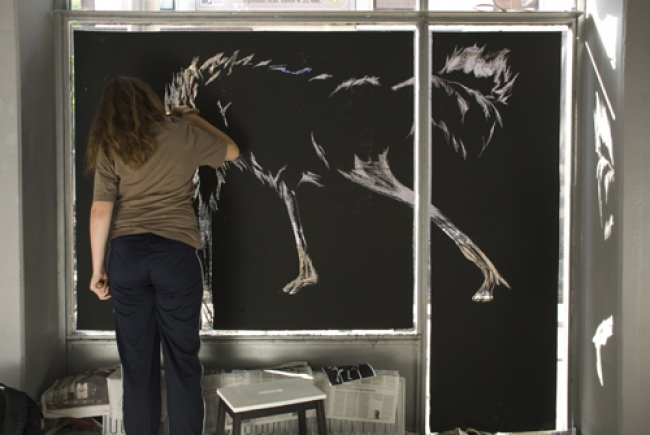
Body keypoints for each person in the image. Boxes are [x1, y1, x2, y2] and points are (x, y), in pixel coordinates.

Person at [86, 76, 239, 435]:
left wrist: (97, 270)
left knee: (136, 366)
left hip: (127, 258)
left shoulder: (111, 144)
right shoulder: (181, 134)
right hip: (176, 256)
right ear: (150, 101)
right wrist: (191, 118)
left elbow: (100, 210)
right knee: (183, 363)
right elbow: (231, 151)